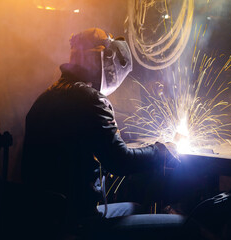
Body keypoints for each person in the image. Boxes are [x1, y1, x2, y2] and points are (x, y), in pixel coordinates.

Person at [21, 28, 186, 239]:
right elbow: (121, 161)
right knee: (181, 223)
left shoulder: (45, 97)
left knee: (134, 208)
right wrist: (162, 150)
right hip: (76, 223)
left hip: (45, 218)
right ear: (101, 60)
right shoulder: (91, 99)